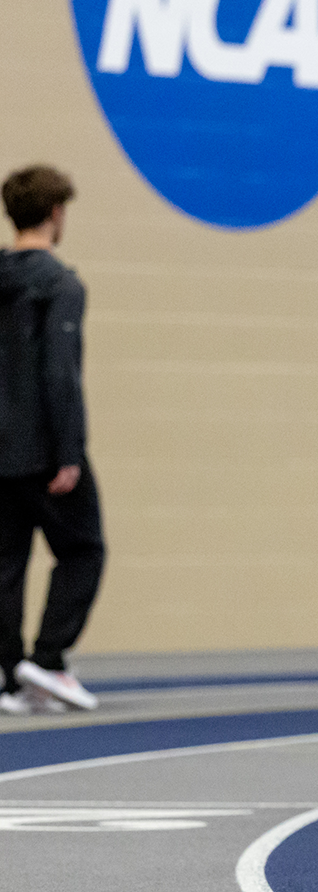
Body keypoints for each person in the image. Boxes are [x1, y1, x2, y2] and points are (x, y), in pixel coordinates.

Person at [0, 165, 105, 717]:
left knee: (6, 562)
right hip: (42, 447)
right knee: (84, 548)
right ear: (55, 214)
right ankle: (48, 658)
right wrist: (69, 452)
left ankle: (11, 678)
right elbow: (59, 373)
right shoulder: (59, 284)